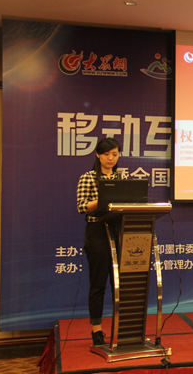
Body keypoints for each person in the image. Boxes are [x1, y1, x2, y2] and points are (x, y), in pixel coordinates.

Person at [76, 137, 126, 346]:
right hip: (97, 230)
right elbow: (81, 206)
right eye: (106, 154)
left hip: (119, 229)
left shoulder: (123, 178)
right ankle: (97, 330)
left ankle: (122, 327)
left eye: (115, 154)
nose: (111, 158)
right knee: (98, 283)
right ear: (98, 155)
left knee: (120, 283)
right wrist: (103, 199)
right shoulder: (88, 178)